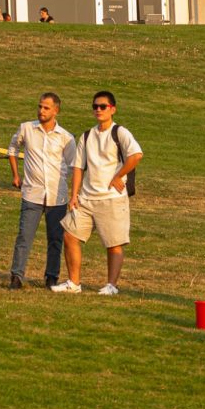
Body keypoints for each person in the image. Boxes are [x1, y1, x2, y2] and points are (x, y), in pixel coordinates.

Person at [51, 91, 142, 296]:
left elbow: (136, 155)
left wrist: (119, 176)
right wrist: (74, 195)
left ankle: (111, 285)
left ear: (112, 109)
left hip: (111, 198)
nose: (98, 110)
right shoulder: (87, 135)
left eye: (103, 106)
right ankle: (74, 283)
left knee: (114, 244)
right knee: (70, 236)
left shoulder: (120, 132)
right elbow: (77, 167)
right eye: (95, 107)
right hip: (86, 198)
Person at [8, 93, 75, 290]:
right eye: (39, 107)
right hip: (32, 193)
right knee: (24, 236)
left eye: (46, 108)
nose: (41, 111)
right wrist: (15, 175)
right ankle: (16, 275)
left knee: (55, 239)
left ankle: (51, 276)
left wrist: (62, 177)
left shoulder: (66, 137)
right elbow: (12, 148)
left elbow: (73, 165)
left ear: (56, 111)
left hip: (57, 195)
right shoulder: (27, 128)